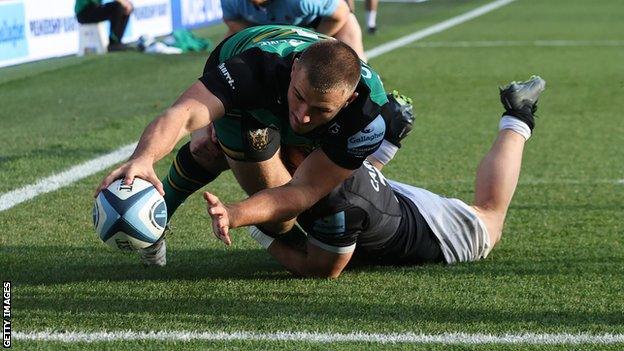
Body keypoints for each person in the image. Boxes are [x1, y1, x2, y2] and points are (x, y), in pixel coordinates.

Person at [95, 25, 413, 266]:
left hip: (306, 102)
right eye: (300, 97)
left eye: (320, 109)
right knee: (213, 152)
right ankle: (157, 224)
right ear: (295, 68)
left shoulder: (368, 116)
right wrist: (142, 158)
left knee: (293, 188)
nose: (302, 116)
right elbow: (183, 114)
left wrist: (237, 213)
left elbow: (302, 191)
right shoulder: (254, 70)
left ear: (350, 100)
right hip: (240, 65)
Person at [205, 76, 546, 278]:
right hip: (382, 200)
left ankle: (518, 116)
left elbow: (322, 269)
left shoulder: (338, 207)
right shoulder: (328, 153)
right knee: (350, 190)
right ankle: (386, 142)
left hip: (441, 231)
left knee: (490, 216)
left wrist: (261, 230)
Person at [220, 0, 366, 60]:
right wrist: (260, 39)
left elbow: (341, 13)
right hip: (265, 27)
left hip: (321, 22)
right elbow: (231, 20)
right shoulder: (231, 1)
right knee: (221, 58)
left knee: (355, 64)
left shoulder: (303, 1)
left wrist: (311, 42)